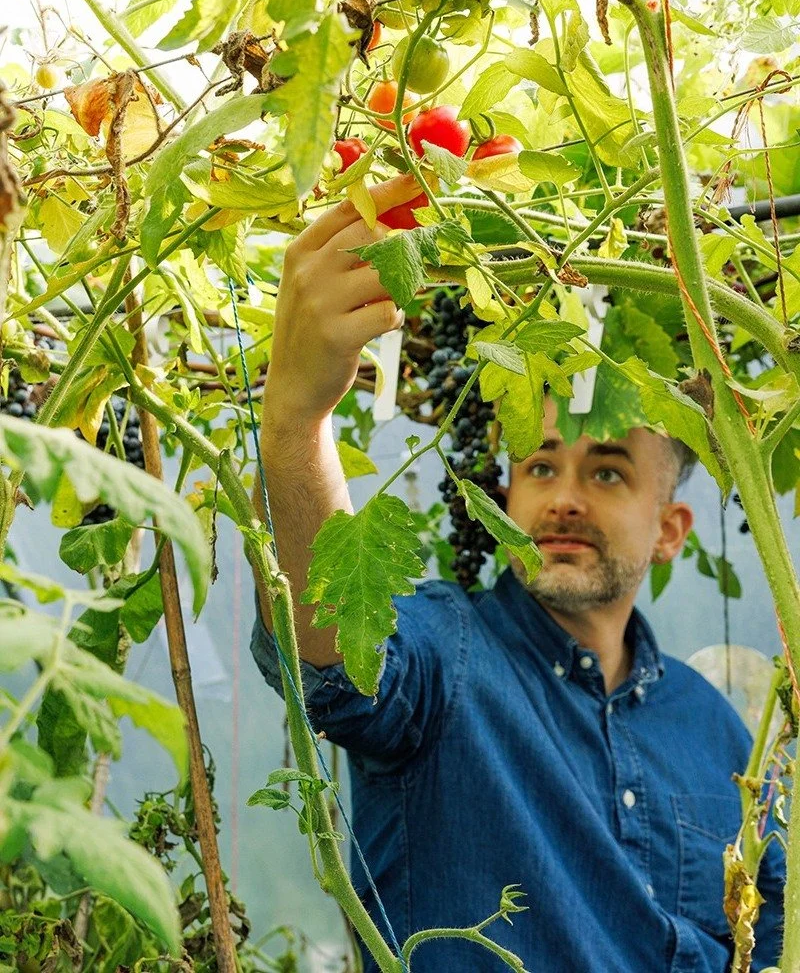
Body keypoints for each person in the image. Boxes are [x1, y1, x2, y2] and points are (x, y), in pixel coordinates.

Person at [249, 175, 785, 972]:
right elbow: (332, 662)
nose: (563, 499)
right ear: (505, 496)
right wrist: (296, 421)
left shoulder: (716, 729)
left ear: (671, 531)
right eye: (539, 468)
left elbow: (770, 933)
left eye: (606, 473)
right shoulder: (442, 653)